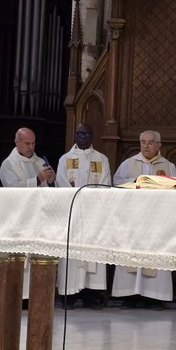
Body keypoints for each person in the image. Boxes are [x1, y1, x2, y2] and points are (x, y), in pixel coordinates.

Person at [111, 130, 176, 310]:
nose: (146, 146)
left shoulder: (168, 166)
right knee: (131, 256)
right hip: (133, 218)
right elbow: (117, 183)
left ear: (159, 145)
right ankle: (129, 295)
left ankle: (154, 297)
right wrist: (136, 182)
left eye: (150, 142)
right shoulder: (129, 164)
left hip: (157, 220)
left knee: (155, 256)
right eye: (143, 142)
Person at [55, 123, 112, 309]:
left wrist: (91, 201)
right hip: (73, 212)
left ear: (92, 136)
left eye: (87, 134)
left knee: (92, 255)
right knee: (72, 256)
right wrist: (79, 199)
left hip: (93, 214)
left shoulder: (101, 159)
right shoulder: (65, 159)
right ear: (75, 135)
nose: (83, 137)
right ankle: (69, 296)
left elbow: (105, 184)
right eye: (79, 133)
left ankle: (92, 295)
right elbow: (61, 183)